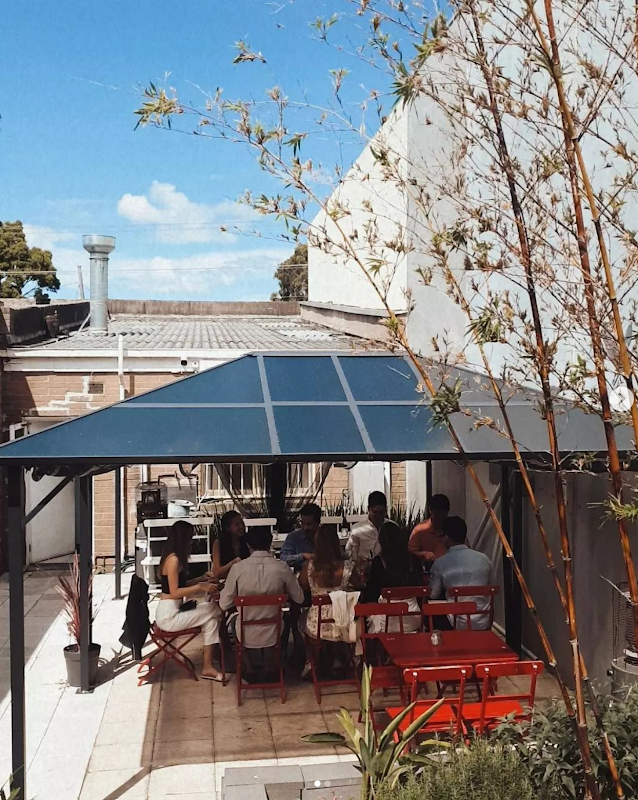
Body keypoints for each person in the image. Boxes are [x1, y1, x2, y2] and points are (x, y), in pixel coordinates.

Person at [220, 527, 304, 680]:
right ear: (270, 544)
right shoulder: (282, 567)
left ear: (248, 545)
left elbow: (224, 604)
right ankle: (270, 665)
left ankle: (249, 667)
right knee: (284, 618)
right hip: (274, 630)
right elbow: (299, 598)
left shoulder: (238, 569)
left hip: (245, 632)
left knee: (233, 620)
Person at [154, 520, 224, 681]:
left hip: (174, 610)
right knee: (212, 608)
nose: (192, 542)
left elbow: (180, 585)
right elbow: (174, 592)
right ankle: (223, 648)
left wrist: (201, 579)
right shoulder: (173, 560)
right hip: (169, 616)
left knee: (211, 621)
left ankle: (208, 667)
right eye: (190, 538)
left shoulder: (174, 558)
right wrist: (200, 587)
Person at [301, 525, 360, 678]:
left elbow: (303, 587)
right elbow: (359, 585)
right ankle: (338, 657)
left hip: (318, 624)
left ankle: (311, 661)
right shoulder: (347, 567)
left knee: (301, 619)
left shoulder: (309, 567)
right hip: (343, 621)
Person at [429, 516, 493, 630]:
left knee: (430, 611)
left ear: (447, 537)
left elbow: (433, 594)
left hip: (456, 623)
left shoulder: (440, 563)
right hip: (483, 621)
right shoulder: (484, 559)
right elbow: (493, 586)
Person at [362, 521, 424, 633]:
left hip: (386, 620)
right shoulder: (413, 560)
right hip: (413, 617)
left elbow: (372, 594)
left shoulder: (380, 562)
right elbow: (420, 585)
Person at [345, 491, 390, 577]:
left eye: (381, 512)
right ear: (368, 509)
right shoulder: (358, 530)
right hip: (365, 573)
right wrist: (358, 560)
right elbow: (349, 553)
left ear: (386, 510)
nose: (378, 516)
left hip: (388, 573)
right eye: (375, 512)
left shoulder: (392, 527)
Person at [408, 494, 450, 568]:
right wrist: (423, 554)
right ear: (430, 510)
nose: (440, 519)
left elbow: (464, 547)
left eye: (443, 515)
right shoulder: (420, 530)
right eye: (437, 515)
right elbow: (410, 551)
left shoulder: (453, 528)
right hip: (428, 570)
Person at [280, 503, 321, 572]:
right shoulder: (293, 537)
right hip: (300, 575)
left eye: (309, 524)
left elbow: (337, 557)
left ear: (318, 523)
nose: (305, 527)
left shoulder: (326, 536)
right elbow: (283, 559)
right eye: (303, 523)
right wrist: (302, 556)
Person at [211, 510, 249, 580]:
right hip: (226, 580)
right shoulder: (219, 543)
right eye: (237, 524)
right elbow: (216, 572)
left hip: (245, 579)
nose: (241, 526)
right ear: (227, 528)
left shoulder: (248, 541)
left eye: (242, 522)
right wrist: (232, 562)